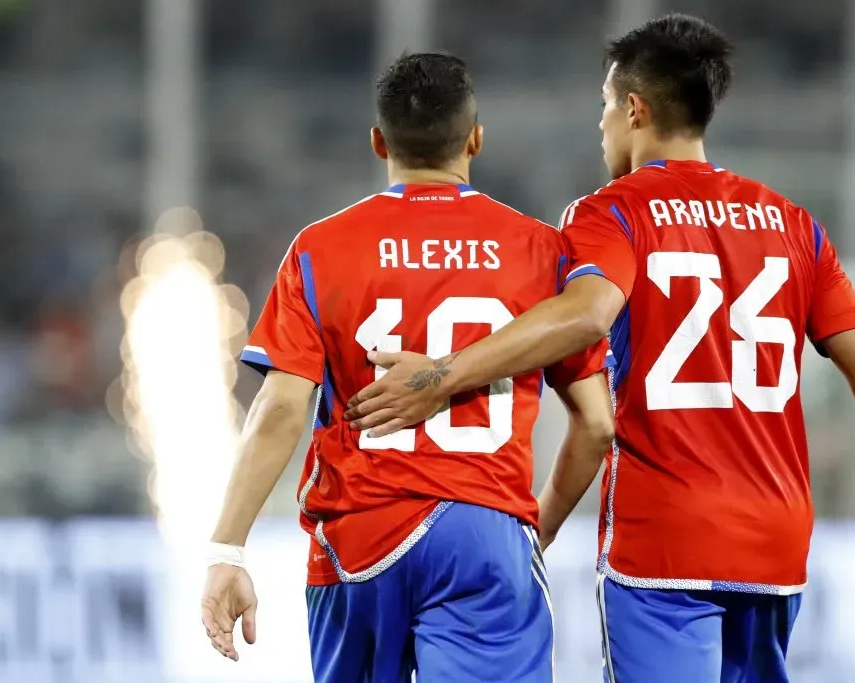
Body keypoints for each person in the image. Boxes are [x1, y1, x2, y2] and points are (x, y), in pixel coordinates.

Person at [343, 15, 855, 683]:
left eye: (605, 105)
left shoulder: (612, 213)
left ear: (635, 109)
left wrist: (440, 375)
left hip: (664, 540)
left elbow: (586, 316)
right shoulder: (794, 225)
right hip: (775, 538)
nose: (601, 124)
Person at [200, 52, 613, 683]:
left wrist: (227, 548)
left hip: (360, 535)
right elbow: (597, 424)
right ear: (475, 139)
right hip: (484, 528)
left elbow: (281, 407)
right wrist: (536, 528)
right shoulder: (542, 251)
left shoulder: (320, 248)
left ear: (378, 141)